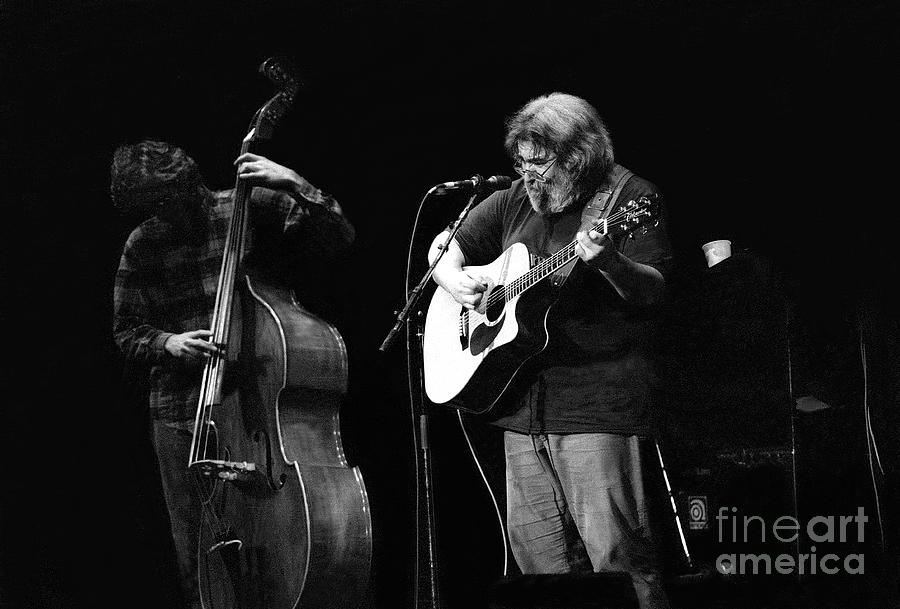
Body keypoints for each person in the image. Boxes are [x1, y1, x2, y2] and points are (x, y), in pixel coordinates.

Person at [427, 93, 673, 609]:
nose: (527, 174)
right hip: (520, 409)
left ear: (577, 158)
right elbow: (445, 246)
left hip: (596, 405)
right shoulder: (515, 198)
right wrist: (453, 282)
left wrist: (609, 262)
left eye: (539, 162)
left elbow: (654, 291)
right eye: (521, 161)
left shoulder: (629, 198)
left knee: (620, 565)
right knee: (542, 576)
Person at [111, 140, 353, 609]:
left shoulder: (245, 207)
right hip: (181, 415)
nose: (165, 214)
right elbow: (124, 332)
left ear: (187, 182)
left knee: (279, 541)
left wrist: (298, 185)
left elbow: (338, 237)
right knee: (194, 552)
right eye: (152, 207)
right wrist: (169, 343)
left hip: (253, 411)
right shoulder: (143, 242)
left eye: (169, 201)